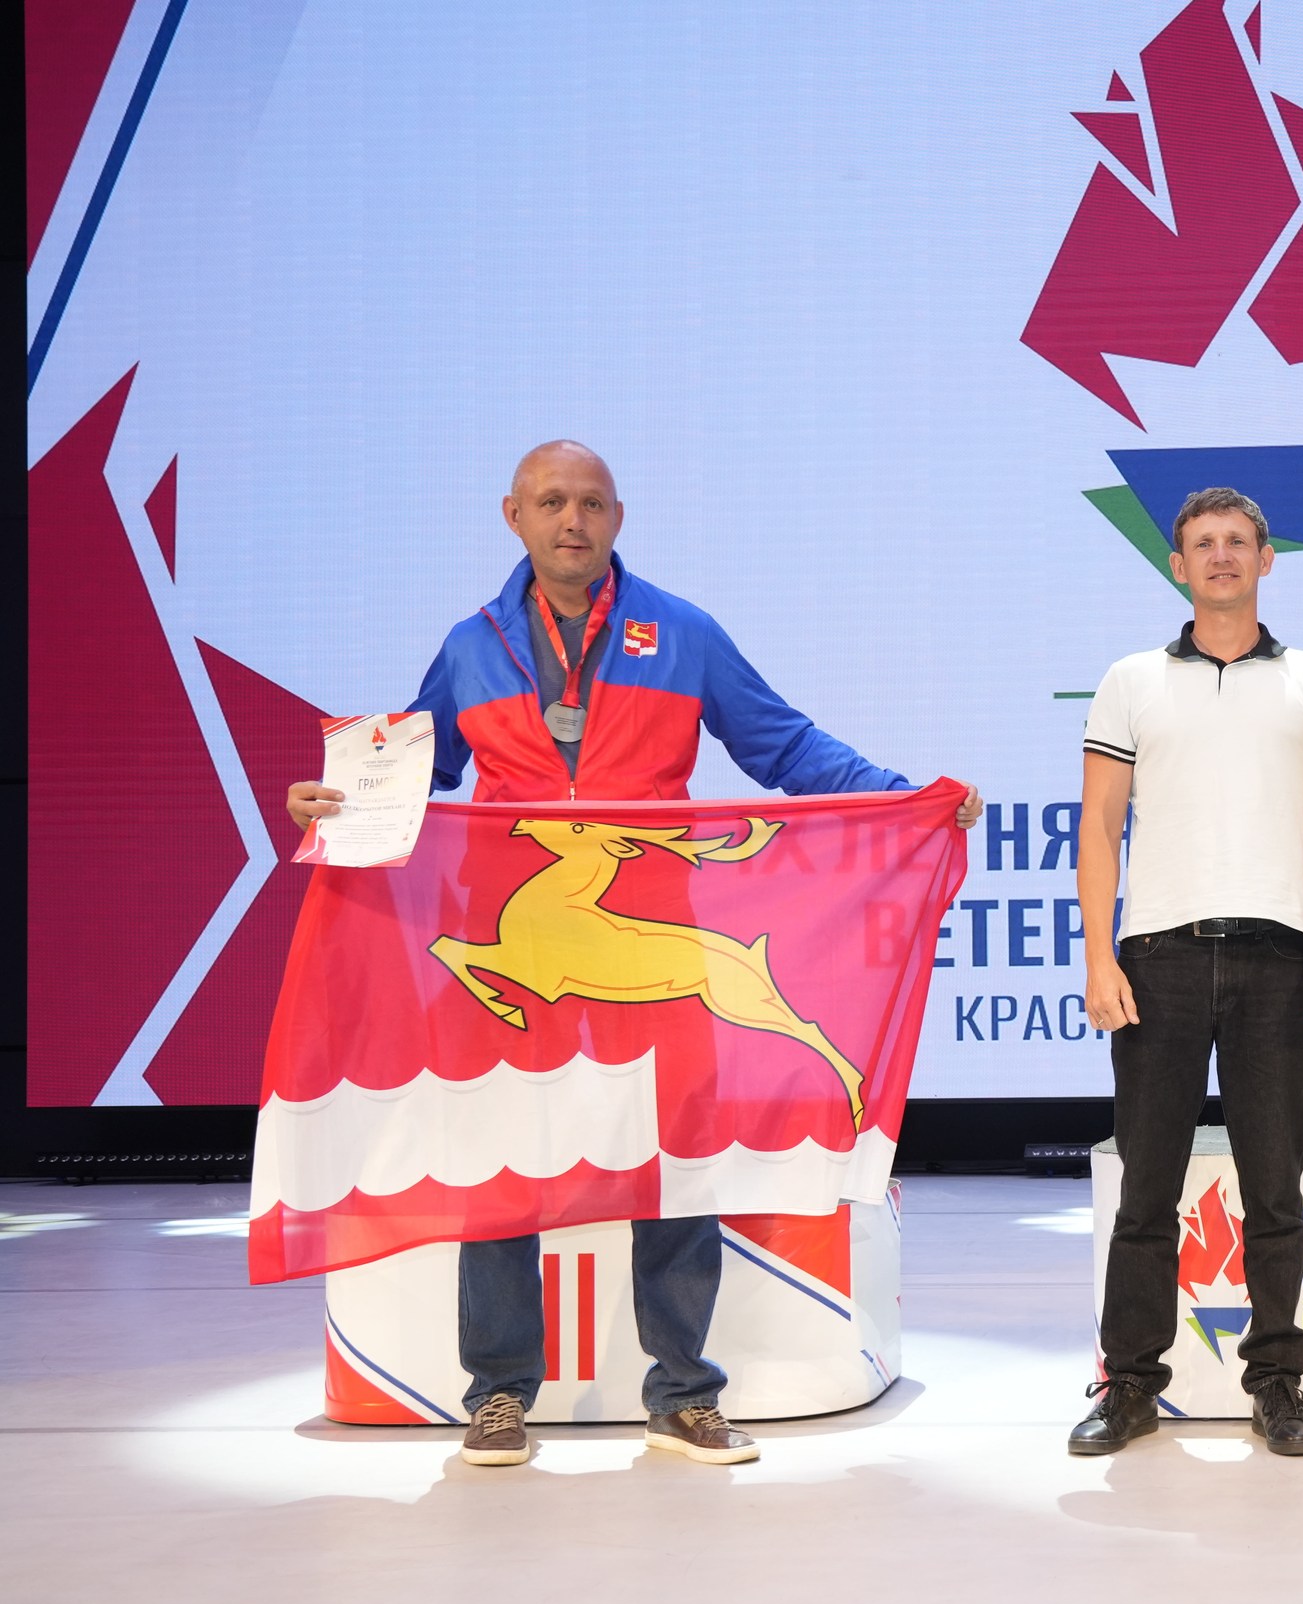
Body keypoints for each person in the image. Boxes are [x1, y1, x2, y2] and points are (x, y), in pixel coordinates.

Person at [286, 440, 981, 1468]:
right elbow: (414, 771)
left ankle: (685, 1393)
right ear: (514, 516)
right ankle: (498, 1394)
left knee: (676, 1165)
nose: (572, 520)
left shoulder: (683, 633)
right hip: (516, 935)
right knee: (499, 1163)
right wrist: (336, 804)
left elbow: (784, 746)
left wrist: (902, 797)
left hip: (651, 934)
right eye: (551, 502)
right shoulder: (472, 646)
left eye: (591, 503)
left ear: (618, 518)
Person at [1068, 486, 1303, 1457]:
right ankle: (1129, 1385)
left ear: (1267, 559)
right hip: (1156, 958)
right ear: (1178, 566)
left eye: (1239, 541)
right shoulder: (1130, 680)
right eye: (1204, 543)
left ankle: (1276, 1384)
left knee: (1274, 1191)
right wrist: (1097, 955)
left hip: (1276, 960)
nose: (1222, 555)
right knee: (1146, 1191)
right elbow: (1099, 826)